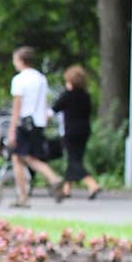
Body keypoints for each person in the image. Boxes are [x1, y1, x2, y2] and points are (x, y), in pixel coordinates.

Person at [6, 45, 67, 208]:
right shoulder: (41, 78)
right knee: (26, 157)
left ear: (20, 61)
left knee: (19, 158)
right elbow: (44, 102)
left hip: (24, 124)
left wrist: (12, 130)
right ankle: (32, 190)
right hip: (38, 123)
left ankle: (26, 195)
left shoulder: (19, 80)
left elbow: (17, 106)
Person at [51, 65, 101, 200]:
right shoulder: (86, 96)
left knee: (73, 160)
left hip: (70, 131)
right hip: (84, 130)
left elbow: (54, 109)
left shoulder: (67, 95)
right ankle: (67, 189)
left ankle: (92, 183)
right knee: (76, 158)